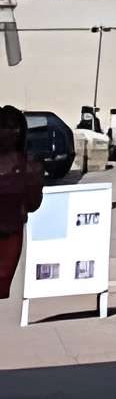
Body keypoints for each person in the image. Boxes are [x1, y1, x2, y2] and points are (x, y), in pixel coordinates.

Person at [0, 106, 44, 299]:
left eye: (17, 127)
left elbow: (34, 204)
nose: (14, 132)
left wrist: (33, 179)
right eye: (7, 127)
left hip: (11, 234)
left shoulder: (28, 164)